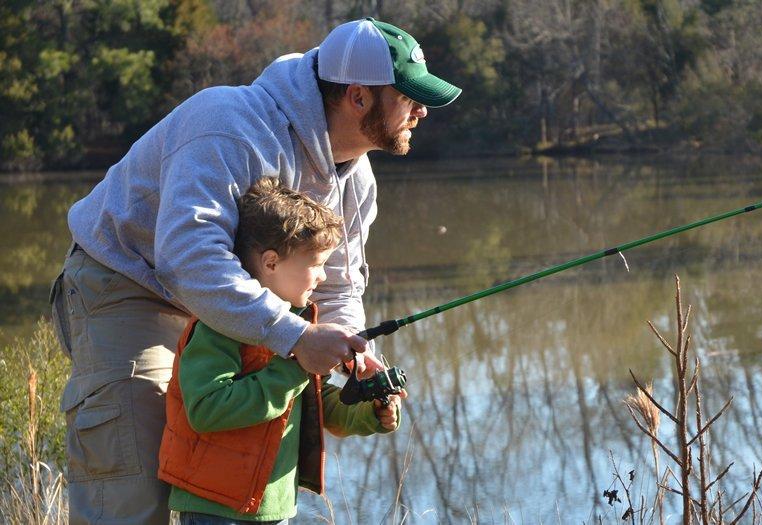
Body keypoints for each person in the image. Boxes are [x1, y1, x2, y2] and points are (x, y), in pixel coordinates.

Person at [48, 17, 459, 524]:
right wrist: (293, 336)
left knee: (232, 482)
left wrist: (354, 355)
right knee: (135, 489)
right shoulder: (230, 124)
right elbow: (189, 258)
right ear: (358, 96)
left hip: (234, 307)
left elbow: (338, 284)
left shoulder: (356, 179)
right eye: (410, 97)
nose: (421, 111)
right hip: (133, 286)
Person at [160, 179, 402, 524]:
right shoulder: (218, 326)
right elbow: (207, 410)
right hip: (214, 506)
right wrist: (297, 367)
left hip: (275, 505)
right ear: (271, 263)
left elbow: (315, 403)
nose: (321, 278)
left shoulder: (298, 324)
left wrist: (371, 412)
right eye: (316, 264)